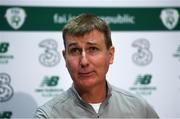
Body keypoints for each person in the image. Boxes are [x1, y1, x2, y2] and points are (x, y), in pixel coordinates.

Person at [34, 13, 159, 118]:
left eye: (92, 49)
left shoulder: (139, 109)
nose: (84, 61)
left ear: (110, 55)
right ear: (65, 57)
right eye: (75, 50)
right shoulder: (48, 115)